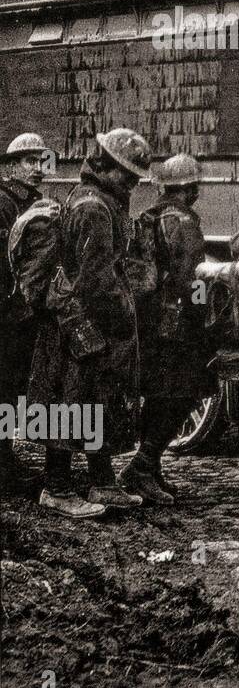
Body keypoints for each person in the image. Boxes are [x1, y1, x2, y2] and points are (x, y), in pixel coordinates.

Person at [31, 129, 153, 516]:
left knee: (94, 402)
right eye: (128, 174)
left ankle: (102, 483)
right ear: (108, 166)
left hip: (87, 321)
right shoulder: (93, 208)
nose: (133, 182)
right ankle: (57, 489)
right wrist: (123, 316)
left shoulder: (101, 201)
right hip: (79, 324)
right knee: (69, 403)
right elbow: (96, 279)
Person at [117, 154, 211, 504]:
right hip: (178, 323)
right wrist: (206, 311)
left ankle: (150, 465)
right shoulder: (184, 221)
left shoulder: (150, 215)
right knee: (181, 393)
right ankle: (142, 467)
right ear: (189, 188)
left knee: (160, 392)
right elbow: (191, 279)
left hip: (149, 320)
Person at [0, 133, 52, 493]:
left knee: (16, 384)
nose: (37, 168)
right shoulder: (4, 203)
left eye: (40, 161)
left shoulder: (35, 202)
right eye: (28, 161)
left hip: (23, 310)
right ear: (11, 167)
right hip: (6, 309)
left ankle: (6, 456)